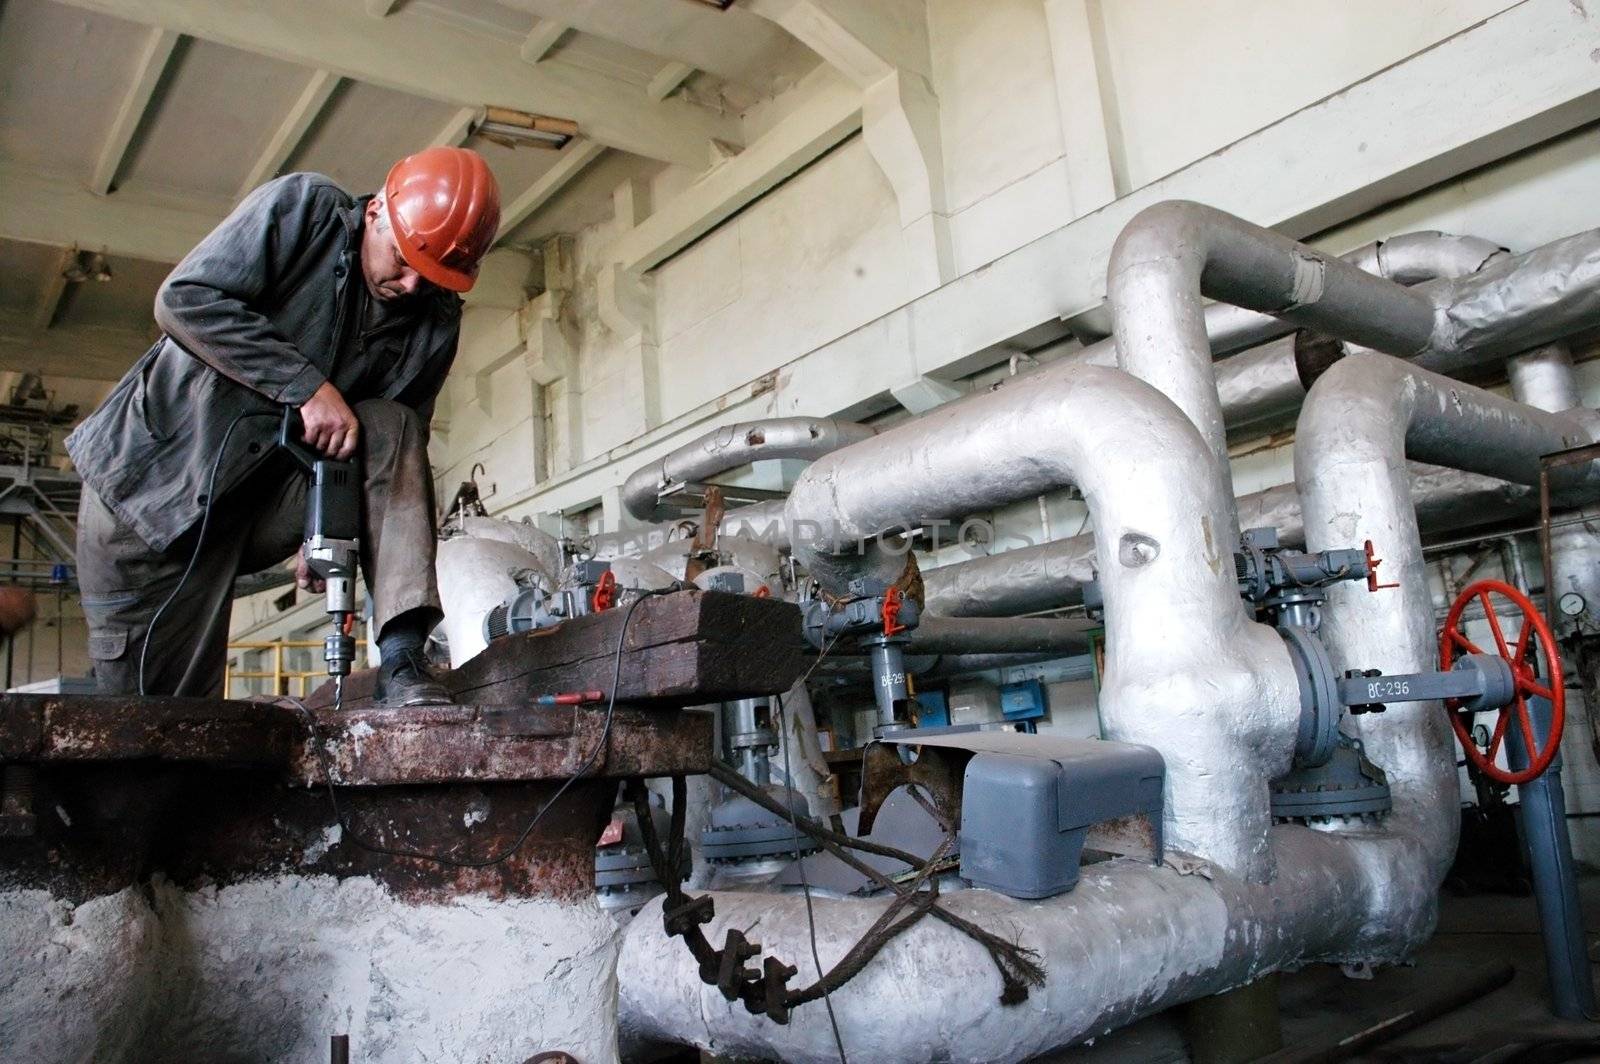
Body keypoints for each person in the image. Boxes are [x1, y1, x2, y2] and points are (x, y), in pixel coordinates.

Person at [66, 146, 500, 705]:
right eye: (403, 257)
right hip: (146, 497)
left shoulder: (434, 319)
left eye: (435, 272)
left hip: (254, 509)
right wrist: (306, 388)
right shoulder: (303, 211)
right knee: (159, 721)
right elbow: (184, 298)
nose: (414, 285)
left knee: (395, 428)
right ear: (375, 213)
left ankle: (403, 660)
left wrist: (329, 523)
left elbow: (394, 458)